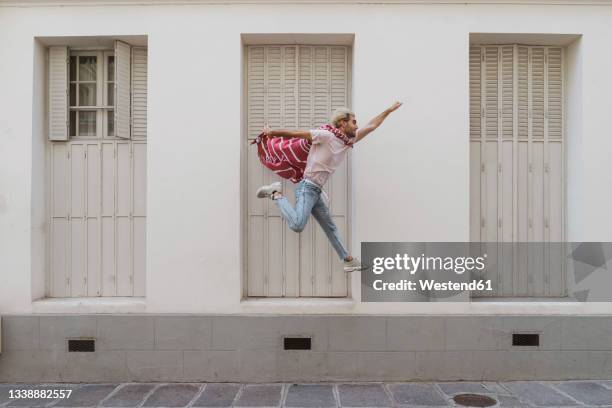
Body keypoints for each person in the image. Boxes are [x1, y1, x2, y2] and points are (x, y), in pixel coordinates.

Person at [256, 102, 403, 272]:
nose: (357, 126)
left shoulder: (347, 141)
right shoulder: (325, 135)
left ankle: (347, 260)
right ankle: (275, 194)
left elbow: (372, 125)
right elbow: (298, 134)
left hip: (316, 191)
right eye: (354, 122)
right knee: (297, 225)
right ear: (343, 122)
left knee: (330, 227)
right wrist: (272, 132)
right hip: (307, 187)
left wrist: (389, 110)